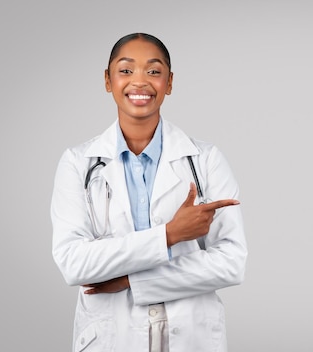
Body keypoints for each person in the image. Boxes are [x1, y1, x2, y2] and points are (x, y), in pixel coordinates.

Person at [51, 32, 248, 352]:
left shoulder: (206, 159)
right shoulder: (77, 163)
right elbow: (74, 264)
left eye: (154, 71)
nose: (139, 82)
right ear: (107, 79)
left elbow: (231, 263)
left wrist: (131, 281)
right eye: (126, 70)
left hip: (191, 333)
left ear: (169, 83)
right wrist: (169, 235)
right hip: (112, 335)